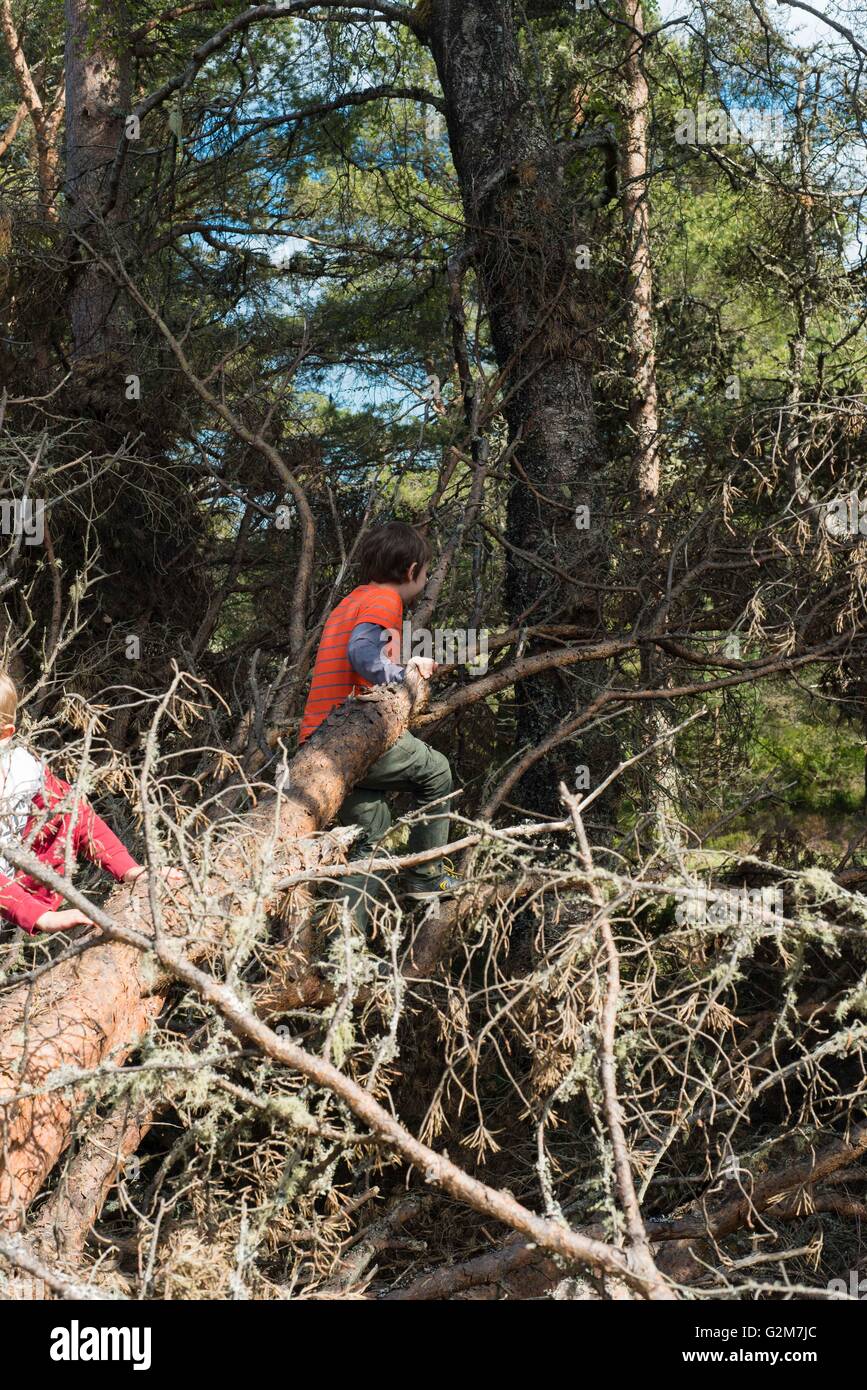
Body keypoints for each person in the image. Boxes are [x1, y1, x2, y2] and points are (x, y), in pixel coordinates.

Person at [298, 520, 458, 928]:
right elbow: (362, 654)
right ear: (412, 572)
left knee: (372, 833)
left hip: (318, 742)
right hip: (346, 739)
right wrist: (405, 673)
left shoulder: (354, 598)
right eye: (425, 572)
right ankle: (426, 877)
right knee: (436, 770)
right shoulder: (386, 601)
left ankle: (344, 947)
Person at [0, 670, 175, 934]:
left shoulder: (21, 770)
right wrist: (38, 916)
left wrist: (128, 869)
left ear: (4, 734)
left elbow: (73, 815)